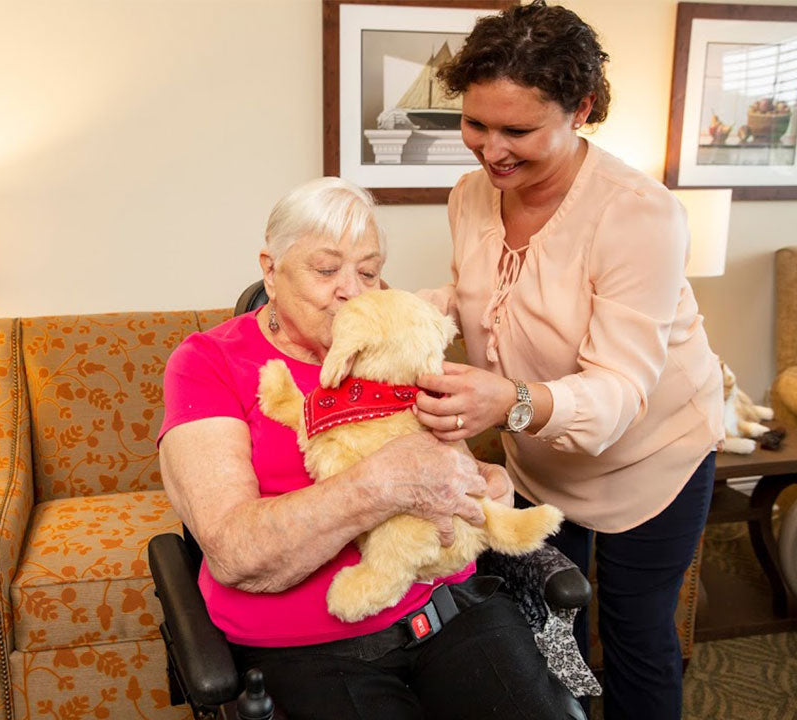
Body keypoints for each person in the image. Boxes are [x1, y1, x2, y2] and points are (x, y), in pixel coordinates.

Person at [158, 177, 580, 719]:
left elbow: (460, 469)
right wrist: (382, 484)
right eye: (327, 269)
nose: (351, 291)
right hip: (309, 647)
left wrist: (488, 486)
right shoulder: (208, 363)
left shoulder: (394, 345)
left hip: (446, 607)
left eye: (368, 271)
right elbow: (236, 551)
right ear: (270, 268)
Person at [412, 3, 724, 719]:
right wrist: (397, 319)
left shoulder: (638, 214)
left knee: (635, 630)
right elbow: (476, 297)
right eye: (476, 125)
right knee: (550, 621)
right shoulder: (471, 195)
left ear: (580, 108)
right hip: (542, 456)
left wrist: (510, 402)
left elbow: (618, 391)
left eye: (518, 131)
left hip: (653, 456)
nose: (492, 151)